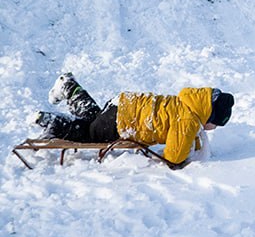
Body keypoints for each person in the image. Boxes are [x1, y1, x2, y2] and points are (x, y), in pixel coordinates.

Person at [31, 72, 235, 168]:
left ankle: (69, 87)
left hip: (124, 104)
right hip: (124, 121)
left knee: (93, 119)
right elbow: (175, 157)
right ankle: (51, 123)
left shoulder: (187, 104)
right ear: (210, 115)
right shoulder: (188, 120)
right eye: (215, 123)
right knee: (89, 134)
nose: (212, 128)